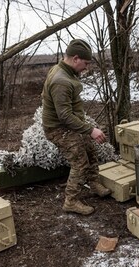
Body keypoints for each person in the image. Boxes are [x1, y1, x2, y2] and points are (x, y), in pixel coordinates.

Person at [41, 39, 111, 216]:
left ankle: (94, 183)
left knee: (90, 150)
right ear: (76, 58)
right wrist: (90, 130)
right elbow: (64, 116)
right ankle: (71, 201)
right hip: (58, 128)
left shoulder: (66, 71)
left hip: (70, 124)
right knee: (80, 162)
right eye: (85, 63)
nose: (86, 68)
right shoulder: (61, 81)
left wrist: (87, 129)